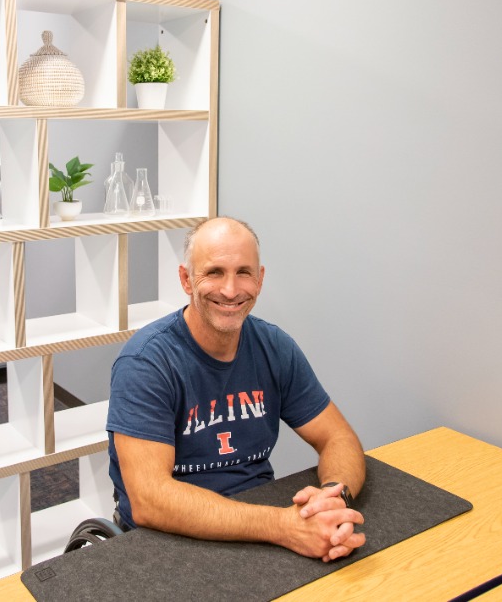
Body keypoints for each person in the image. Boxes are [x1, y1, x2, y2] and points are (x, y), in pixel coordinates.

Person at [106, 217, 367, 562]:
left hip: (259, 520)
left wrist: (334, 497)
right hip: (168, 538)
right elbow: (150, 500)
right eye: (214, 272)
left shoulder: (275, 347)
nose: (230, 290)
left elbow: (338, 438)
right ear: (186, 279)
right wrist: (283, 526)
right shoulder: (146, 362)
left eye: (244, 272)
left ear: (260, 280)